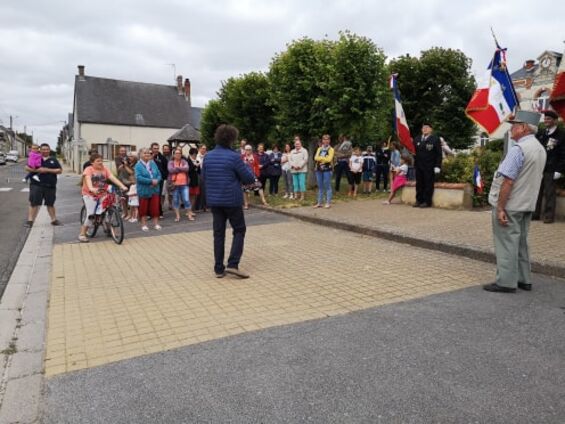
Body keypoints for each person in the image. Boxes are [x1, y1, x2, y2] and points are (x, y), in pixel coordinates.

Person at [484, 111, 546, 293]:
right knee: (521, 242)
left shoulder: (518, 149)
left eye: (515, 125)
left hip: (511, 204)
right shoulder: (540, 148)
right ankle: (523, 279)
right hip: (527, 203)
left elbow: (508, 181)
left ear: (524, 128)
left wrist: (501, 207)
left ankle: (506, 281)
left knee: (506, 243)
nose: (511, 128)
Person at [202, 124, 256, 279]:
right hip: (231, 200)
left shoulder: (208, 156)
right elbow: (248, 178)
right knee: (239, 230)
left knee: (218, 234)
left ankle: (219, 269)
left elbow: (204, 178)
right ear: (231, 139)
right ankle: (233, 264)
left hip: (214, 200)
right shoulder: (234, 157)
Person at [79, 153, 128, 242]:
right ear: (92, 163)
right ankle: (82, 234)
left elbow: (112, 178)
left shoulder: (105, 169)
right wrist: (91, 188)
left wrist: (122, 186)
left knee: (109, 209)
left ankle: (110, 229)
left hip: (102, 192)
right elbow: (88, 179)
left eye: (101, 160)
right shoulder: (88, 169)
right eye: (98, 161)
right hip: (90, 194)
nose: (100, 162)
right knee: (91, 214)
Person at [533, 110, 565, 223]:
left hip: (551, 169)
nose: (546, 120)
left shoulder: (561, 134)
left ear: (555, 121)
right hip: (539, 167)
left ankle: (549, 215)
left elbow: (563, 154)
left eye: (549, 119)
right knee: (537, 191)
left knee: (550, 192)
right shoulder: (542, 133)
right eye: (545, 118)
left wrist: (559, 170)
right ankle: (535, 213)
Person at [24, 143, 63, 228]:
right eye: (43, 149)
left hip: (50, 186)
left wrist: (46, 170)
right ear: (40, 150)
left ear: (49, 150)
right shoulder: (35, 157)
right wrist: (36, 170)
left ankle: (54, 220)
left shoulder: (53, 159)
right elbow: (26, 168)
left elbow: (59, 170)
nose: (45, 151)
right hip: (36, 185)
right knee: (34, 203)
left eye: (47, 149)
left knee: (50, 203)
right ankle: (30, 221)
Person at [413, 123, 442, 208]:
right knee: (419, 184)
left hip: (429, 166)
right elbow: (414, 152)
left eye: (427, 128)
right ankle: (419, 200)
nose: (424, 129)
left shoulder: (435, 139)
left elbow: (439, 154)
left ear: (431, 129)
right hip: (419, 165)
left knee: (428, 184)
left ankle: (427, 201)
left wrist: (438, 166)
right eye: (423, 128)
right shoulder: (417, 139)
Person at [135, 148, 162, 231]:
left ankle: (156, 224)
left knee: (155, 208)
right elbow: (138, 177)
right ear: (140, 155)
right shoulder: (138, 165)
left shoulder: (153, 163)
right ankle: (144, 224)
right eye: (145, 153)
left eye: (148, 153)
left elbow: (159, 174)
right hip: (144, 190)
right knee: (143, 208)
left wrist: (157, 180)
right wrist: (150, 181)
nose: (147, 154)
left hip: (154, 189)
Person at [168, 148, 195, 222]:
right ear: (173, 155)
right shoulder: (170, 162)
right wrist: (181, 169)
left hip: (184, 184)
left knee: (186, 200)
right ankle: (177, 216)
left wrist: (176, 168)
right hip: (174, 184)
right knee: (176, 201)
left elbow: (187, 169)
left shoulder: (184, 161)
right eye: (176, 153)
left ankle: (189, 215)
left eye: (179, 153)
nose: (178, 155)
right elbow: (170, 170)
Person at [313, 134, 334, 208]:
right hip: (319, 169)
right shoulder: (319, 149)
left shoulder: (331, 149)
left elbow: (329, 159)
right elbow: (315, 158)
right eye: (324, 139)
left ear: (329, 140)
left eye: (327, 139)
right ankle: (319, 202)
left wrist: (320, 158)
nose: (326, 141)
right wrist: (323, 158)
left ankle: (328, 202)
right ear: (322, 140)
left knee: (327, 186)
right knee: (320, 186)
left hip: (327, 169)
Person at [289, 136, 308, 201]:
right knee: (295, 183)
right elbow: (290, 160)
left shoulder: (304, 150)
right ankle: (296, 195)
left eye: (298, 144)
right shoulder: (292, 151)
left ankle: (302, 196)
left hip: (301, 170)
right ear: (294, 144)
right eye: (296, 144)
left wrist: (299, 166)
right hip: (294, 170)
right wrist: (293, 166)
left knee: (301, 183)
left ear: (301, 144)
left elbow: (305, 159)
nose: (297, 145)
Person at [151, 142, 168, 217]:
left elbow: (166, 168)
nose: (156, 150)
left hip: (159, 180)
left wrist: (163, 176)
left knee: (158, 196)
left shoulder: (162, 157)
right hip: (149, 180)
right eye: (154, 148)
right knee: (150, 196)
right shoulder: (147, 156)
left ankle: (159, 212)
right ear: (151, 149)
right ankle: (150, 213)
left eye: (157, 148)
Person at [187, 147, 200, 213]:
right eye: (194, 154)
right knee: (189, 196)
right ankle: (189, 210)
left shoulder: (197, 161)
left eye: (196, 154)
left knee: (195, 195)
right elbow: (188, 170)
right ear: (190, 154)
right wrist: (195, 166)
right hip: (189, 181)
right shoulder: (187, 161)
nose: (195, 156)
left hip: (195, 180)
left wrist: (198, 167)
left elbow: (199, 172)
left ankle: (192, 209)